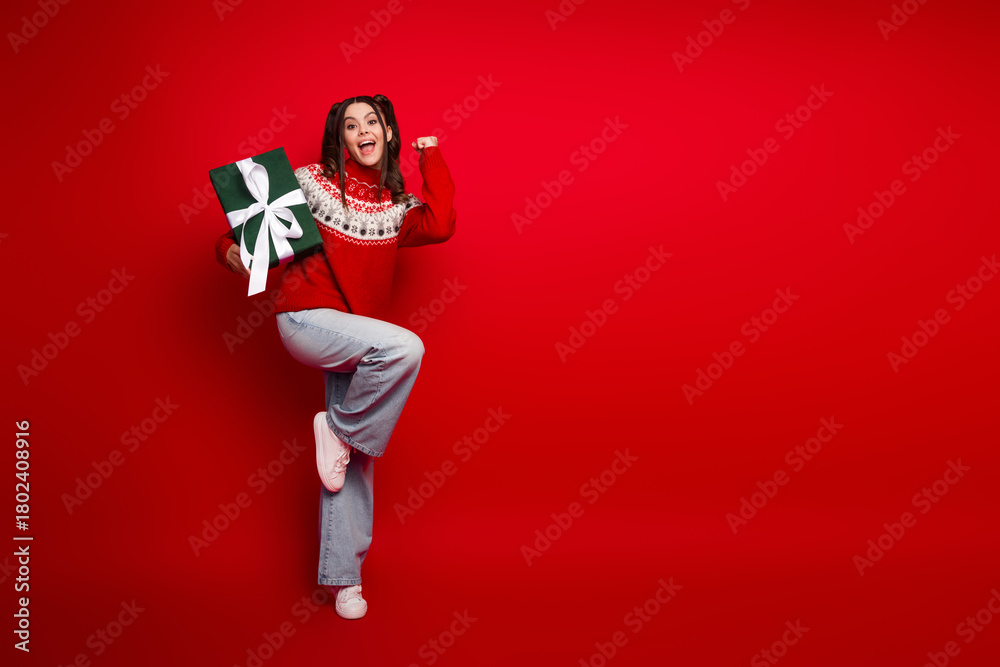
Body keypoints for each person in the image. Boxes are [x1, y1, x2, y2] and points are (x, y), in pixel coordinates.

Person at [213, 94, 456, 619]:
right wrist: (230, 251)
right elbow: (249, 226)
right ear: (341, 138)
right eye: (352, 125)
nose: (363, 131)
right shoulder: (312, 181)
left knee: (349, 464)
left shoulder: (395, 208)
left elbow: (440, 222)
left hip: (357, 343)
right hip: (305, 319)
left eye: (373, 122)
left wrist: (430, 153)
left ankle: (346, 579)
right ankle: (340, 430)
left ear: (388, 133)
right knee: (405, 344)